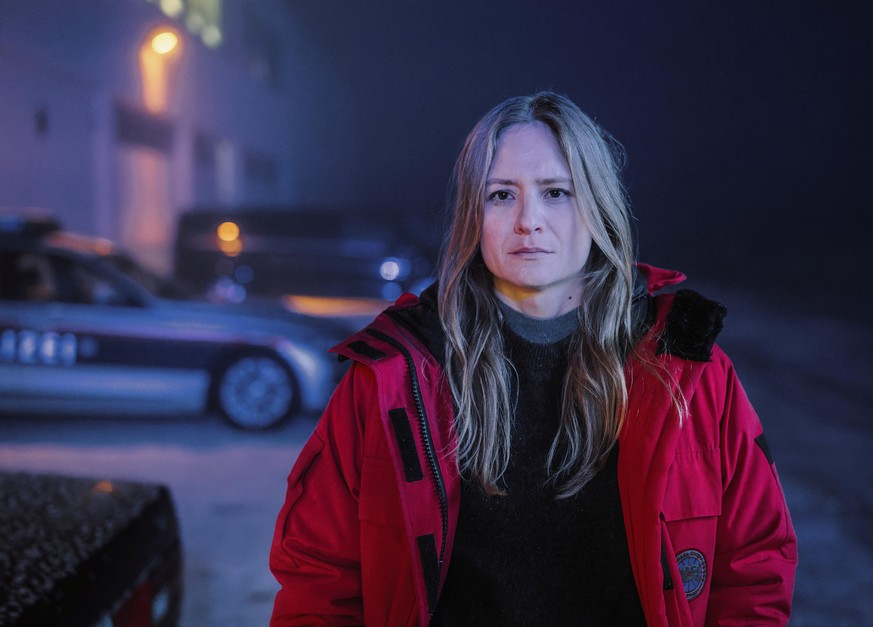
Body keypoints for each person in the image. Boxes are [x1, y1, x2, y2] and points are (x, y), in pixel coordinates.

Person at [269, 91, 797, 625]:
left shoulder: (688, 371)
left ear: (597, 205)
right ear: (473, 214)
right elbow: (319, 576)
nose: (529, 220)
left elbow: (754, 565)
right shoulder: (393, 376)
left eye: (556, 192)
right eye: (501, 195)